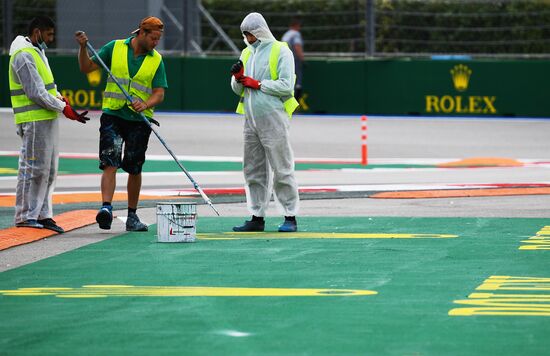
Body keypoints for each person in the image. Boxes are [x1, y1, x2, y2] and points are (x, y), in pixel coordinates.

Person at [74, 16, 168, 232]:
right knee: (110, 161)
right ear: (141, 33)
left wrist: (146, 104)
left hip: (139, 121)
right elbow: (86, 67)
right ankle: (106, 208)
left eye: (158, 39)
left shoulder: (156, 60)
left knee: (134, 168)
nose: (156, 42)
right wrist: (82, 48)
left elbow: (159, 93)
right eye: (153, 38)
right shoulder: (114, 48)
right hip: (113, 115)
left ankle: (132, 216)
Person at [9, 16, 90, 233]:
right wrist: (63, 108)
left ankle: (42, 214)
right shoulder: (23, 55)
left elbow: (47, 87)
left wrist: (62, 101)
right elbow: (35, 92)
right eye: (49, 35)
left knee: (49, 170)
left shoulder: (37, 52)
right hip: (33, 120)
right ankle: (26, 215)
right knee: (33, 168)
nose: (51, 40)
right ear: (37, 33)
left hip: (46, 118)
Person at [230, 12, 300, 233]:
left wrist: (258, 84)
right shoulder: (245, 52)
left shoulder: (281, 50)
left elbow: (286, 85)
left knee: (282, 167)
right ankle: (256, 216)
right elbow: (237, 89)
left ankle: (290, 216)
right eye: (245, 35)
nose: (247, 38)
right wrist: (237, 79)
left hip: (273, 118)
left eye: (250, 34)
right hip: (250, 120)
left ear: (259, 31)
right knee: (252, 169)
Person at [281, 18, 304, 100]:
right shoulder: (296, 34)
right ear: (297, 26)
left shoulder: (286, 34)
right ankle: (294, 99)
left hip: (283, 59)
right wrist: (301, 58)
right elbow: (297, 46)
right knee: (297, 79)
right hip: (293, 59)